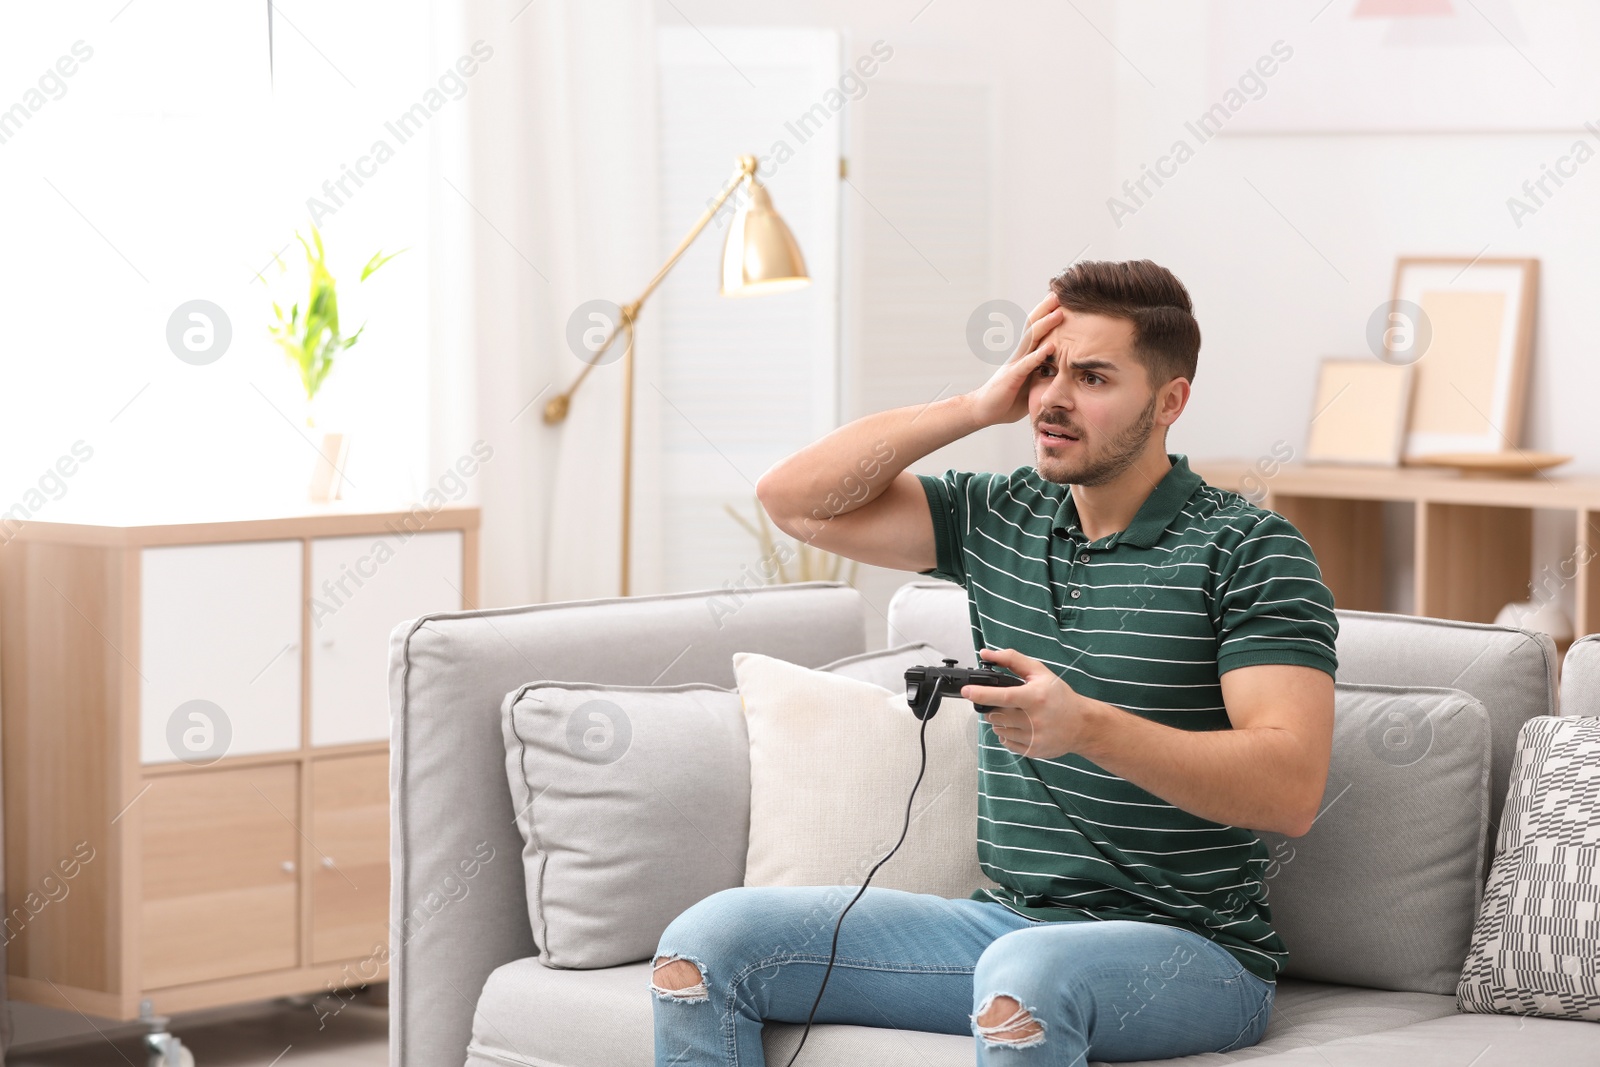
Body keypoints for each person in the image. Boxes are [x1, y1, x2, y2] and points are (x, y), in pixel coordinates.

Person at [650, 259, 1338, 1067]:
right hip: (1010, 924)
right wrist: (976, 407)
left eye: (1091, 376)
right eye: (1045, 369)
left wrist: (1086, 727)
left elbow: (1290, 788)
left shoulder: (1247, 550)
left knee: (1025, 979)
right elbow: (793, 497)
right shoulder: (1001, 516)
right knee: (703, 947)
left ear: (1169, 402)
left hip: (1195, 953)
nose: (1052, 398)